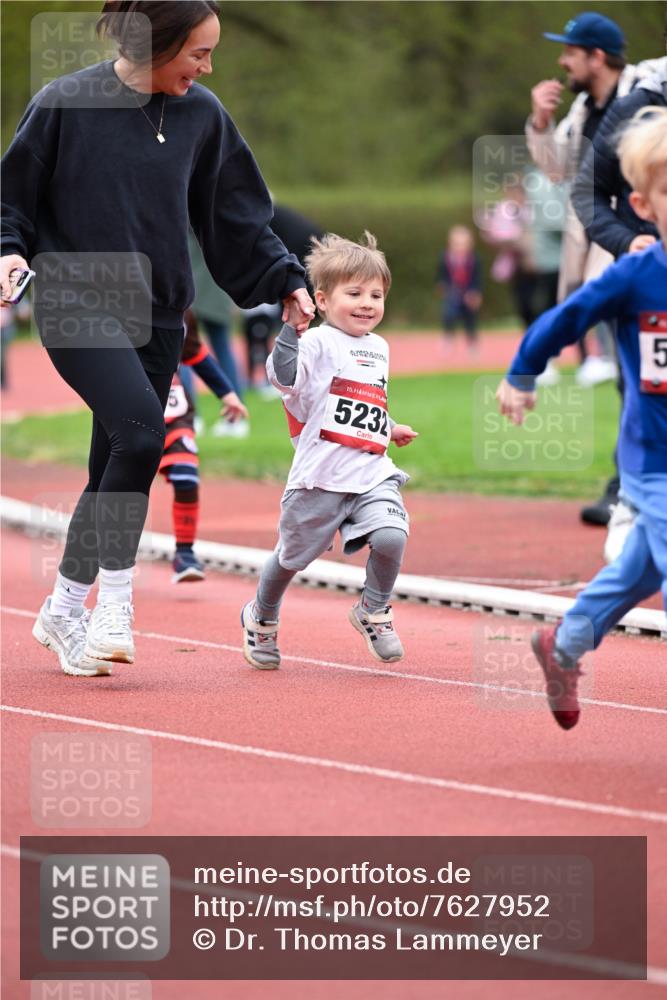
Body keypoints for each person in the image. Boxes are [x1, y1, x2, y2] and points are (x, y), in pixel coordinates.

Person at [1, 1, 314, 677]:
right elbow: (14, 195)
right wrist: (7, 248)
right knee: (143, 437)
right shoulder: (66, 101)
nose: (207, 67)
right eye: (198, 53)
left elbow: (238, 216)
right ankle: (113, 603)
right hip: (75, 300)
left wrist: (285, 278)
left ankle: (60, 608)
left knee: (110, 465)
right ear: (158, 43)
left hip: (158, 314)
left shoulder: (204, 115)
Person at [496, 108, 667, 731]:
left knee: (640, 567)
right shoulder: (637, 275)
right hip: (654, 462)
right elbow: (562, 320)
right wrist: (521, 372)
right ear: (646, 206)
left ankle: (563, 645)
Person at [240, 232, 418, 670]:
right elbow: (284, 381)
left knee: (393, 535)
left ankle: (373, 611)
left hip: (371, 471)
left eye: (376, 295)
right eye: (354, 293)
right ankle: (261, 617)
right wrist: (289, 331)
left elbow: (365, 400)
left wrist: (389, 427)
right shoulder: (317, 342)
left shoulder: (380, 347)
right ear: (321, 300)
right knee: (288, 559)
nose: (367, 303)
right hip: (320, 477)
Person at [526, 12, 663, 524]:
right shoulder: (584, 108)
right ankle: (630, 482)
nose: (563, 62)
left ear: (596, 56)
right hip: (609, 248)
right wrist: (539, 123)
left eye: (570, 51)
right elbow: (560, 170)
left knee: (640, 372)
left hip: (643, 250)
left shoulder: (645, 95)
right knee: (633, 372)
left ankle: (630, 483)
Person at [160, 309, 248, 583]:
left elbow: (195, 353)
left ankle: (185, 553)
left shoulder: (182, 310)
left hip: (175, 410)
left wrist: (227, 393)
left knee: (186, 474)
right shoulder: (120, 303)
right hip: (130, 407)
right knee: (120, 484)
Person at [186, 231, 247, 438]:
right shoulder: (223, 205)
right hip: (218, 288)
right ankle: (235, 418)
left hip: (191, 284)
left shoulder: (184, 203)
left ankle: (191, 416)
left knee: (183, 351)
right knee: (223, 349)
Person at [436, 225, 482, 351]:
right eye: (457, 243)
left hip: (468, 294)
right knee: (448, 315)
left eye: (463, 244)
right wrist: (442, 285)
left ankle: (472, 342)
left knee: (470, 319)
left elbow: (477, 278)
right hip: (452, 293)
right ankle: (448, 338)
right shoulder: (444, 258)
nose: (460, 247)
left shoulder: (474, 259)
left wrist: (475, 293)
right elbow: (442, 275)